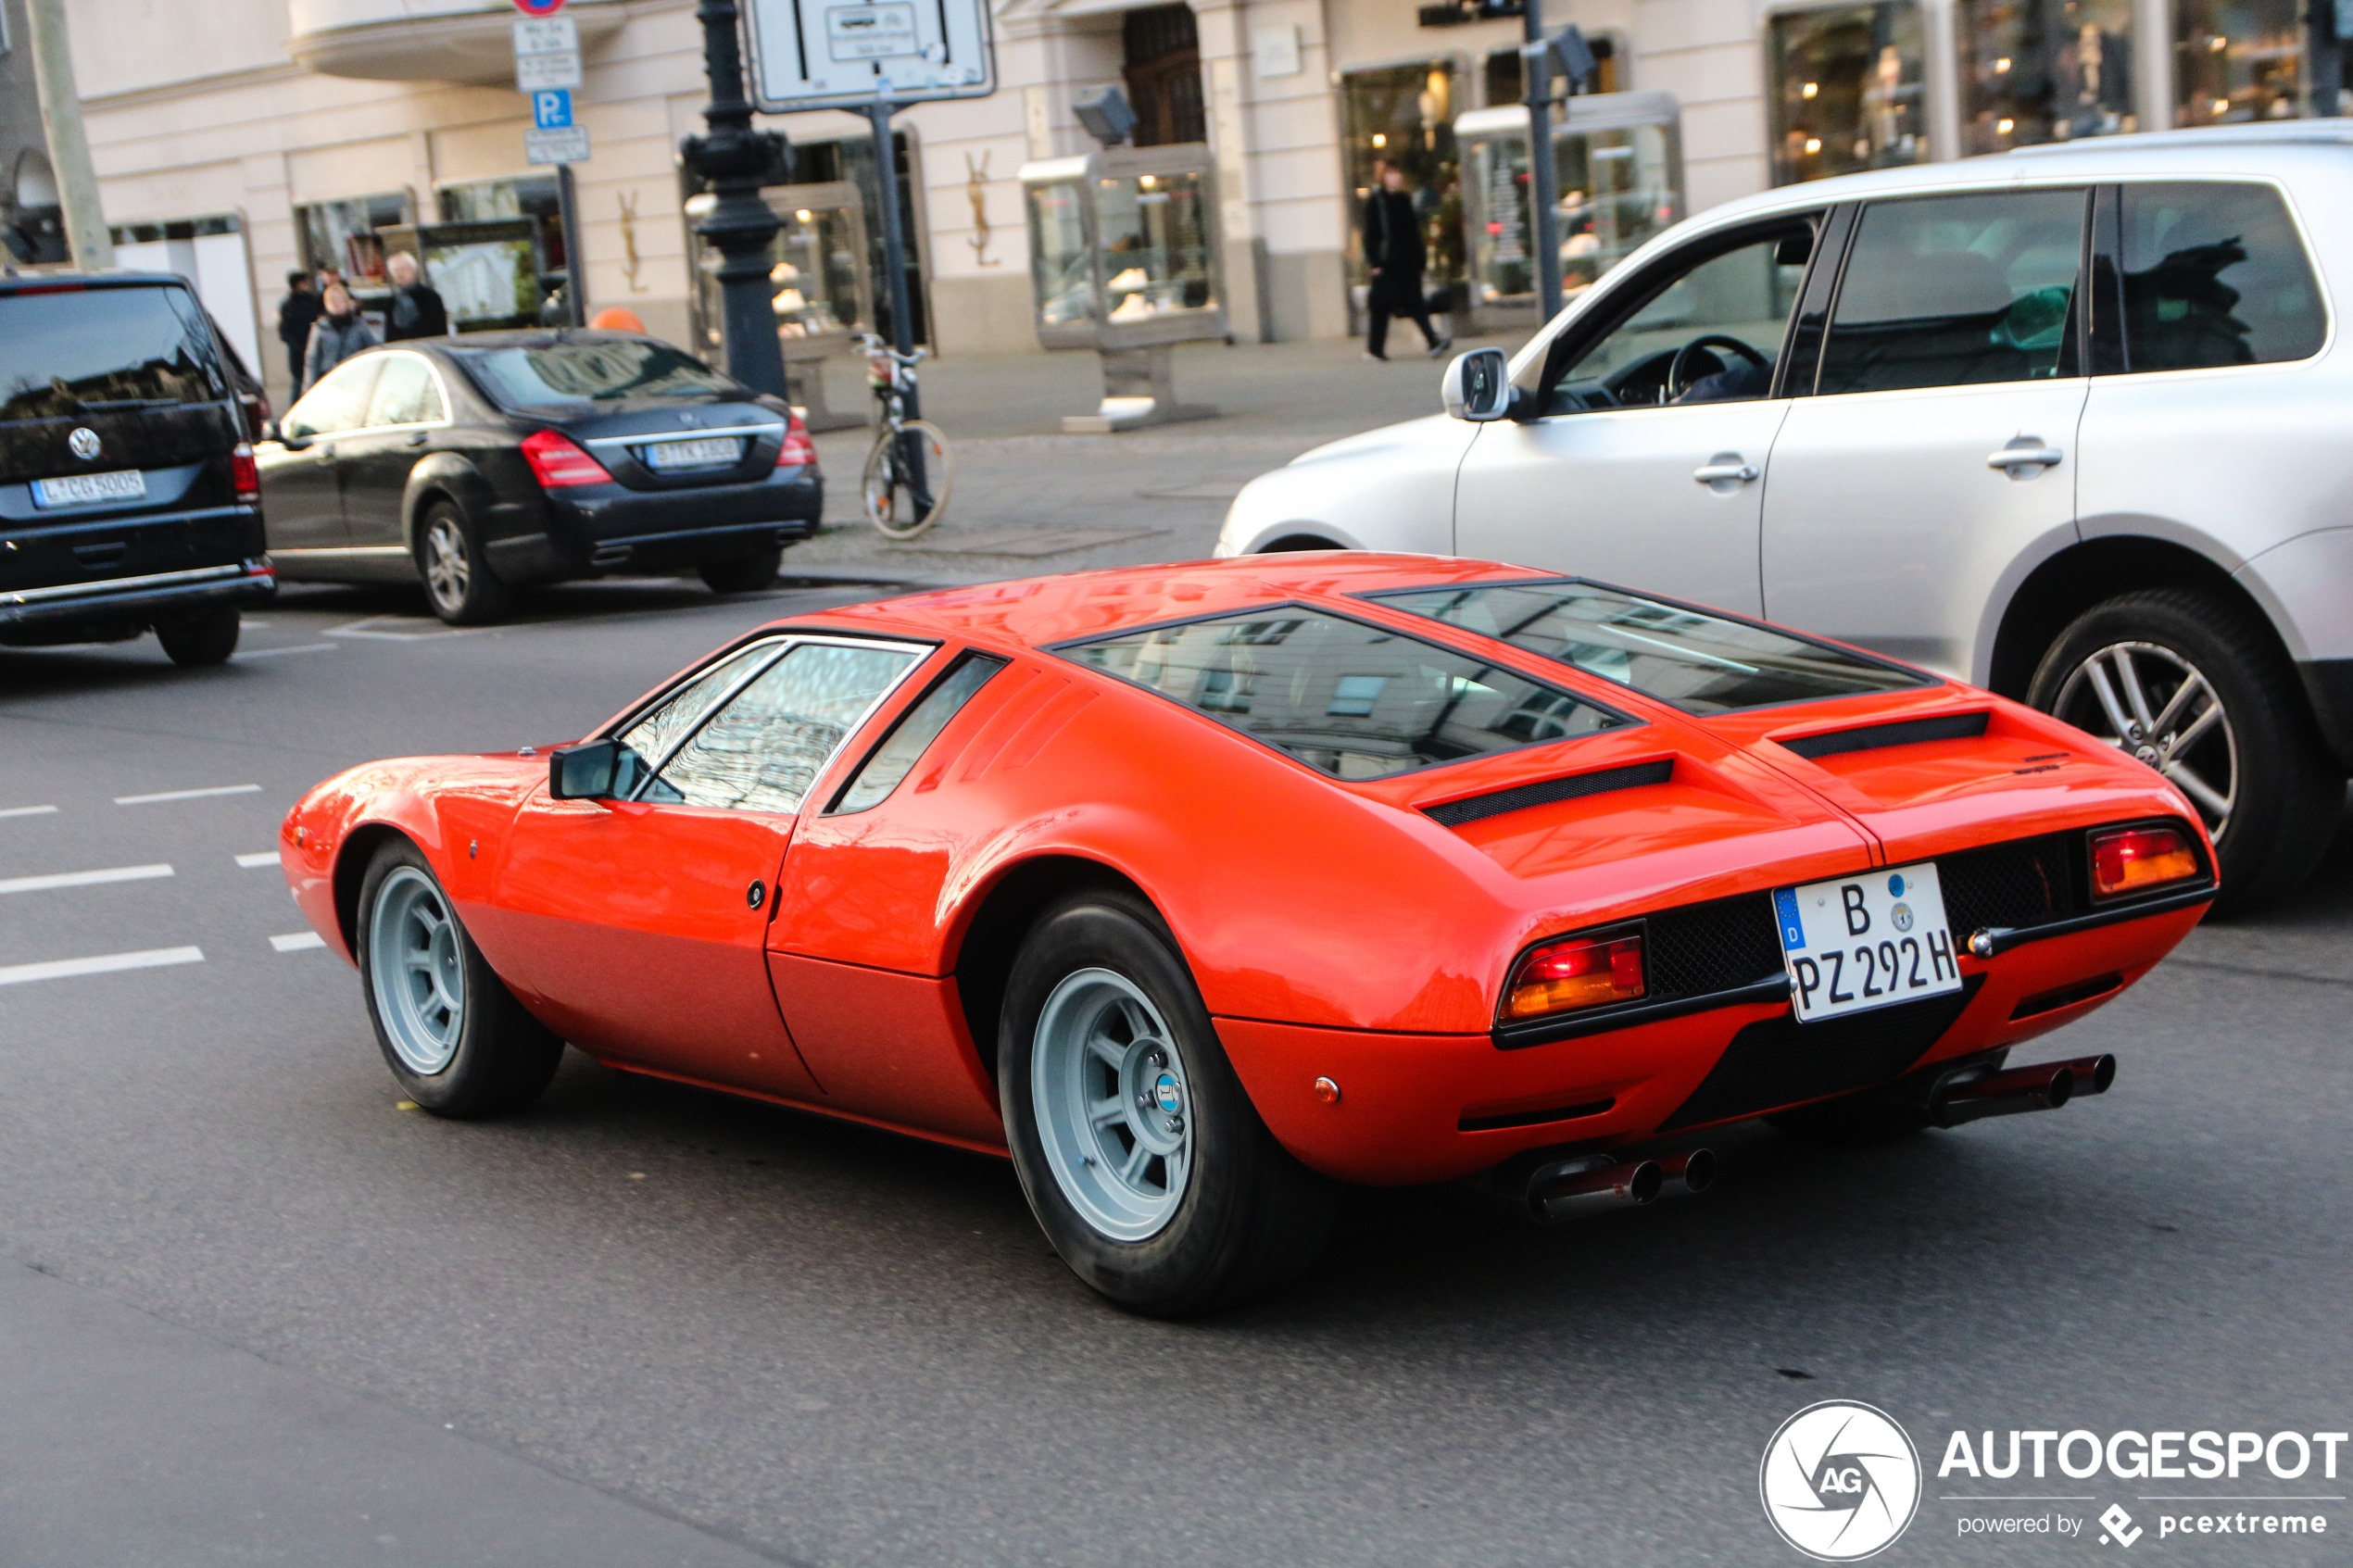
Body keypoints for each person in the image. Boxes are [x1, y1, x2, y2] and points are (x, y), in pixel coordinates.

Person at [1361, 164, 1452, 362]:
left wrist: (1421, 261)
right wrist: (1374, 262)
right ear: (1383, 177)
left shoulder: (1404, 199)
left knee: (1415, 303)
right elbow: (1371, 235)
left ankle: (1432, 340)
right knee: (1381, 307)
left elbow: (1413, 234)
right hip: (1387, 265)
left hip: (1407, 264)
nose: (1395, 178)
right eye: (1391, 174)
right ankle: (1375, 349)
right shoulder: (1377, 201)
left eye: (1397, 173)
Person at [301, 281, 378, 392]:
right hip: (330, 381)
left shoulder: (358, 325)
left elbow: (371, 351)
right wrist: (308, 389)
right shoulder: (320, 328)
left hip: (356, 381)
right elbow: (312, 360)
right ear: (327, 305)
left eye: (340, 300)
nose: (337, 304)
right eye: (332, 301)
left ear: (346, 302)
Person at [382, 251, 448, 341]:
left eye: (402, 268)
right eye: (394, 270)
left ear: (414, 269)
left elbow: (440, 332)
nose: (399, 273)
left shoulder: (430, 297)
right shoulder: (391, 303)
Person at [274, 270, 323, 388]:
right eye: (305, 282)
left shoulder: (315, 301)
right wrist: (298, 346)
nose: (308, 285)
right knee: (298, 383)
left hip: (315, 349)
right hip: (298, 354)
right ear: (298, 285)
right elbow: (284, 331)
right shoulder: (288, 305)